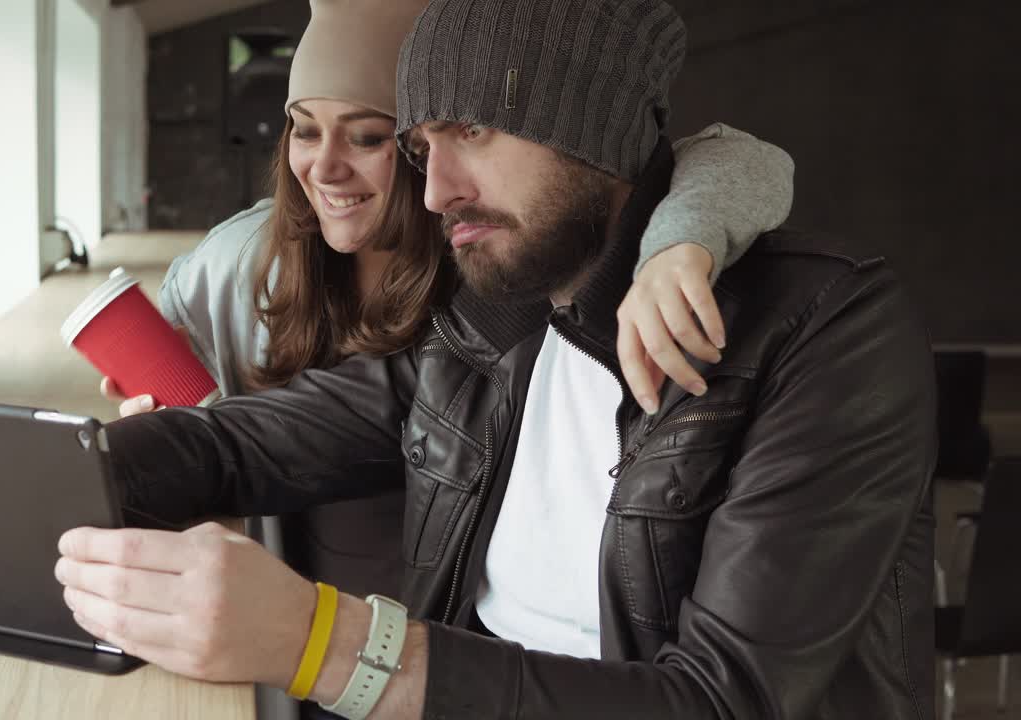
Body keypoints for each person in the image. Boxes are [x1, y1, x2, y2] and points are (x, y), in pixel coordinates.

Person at [34, 0, 931, 717]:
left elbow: (724, 701)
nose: (434, 191)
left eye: (472, 131)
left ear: (590, 124)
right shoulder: (497, 322)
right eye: (422, 147)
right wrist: (12, 483)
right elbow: (238, 443)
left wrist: (324, 644)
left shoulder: (826, 330)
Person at [96, 0, 793, 607]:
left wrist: (679, 242)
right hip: (292, 613)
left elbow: (730, 158)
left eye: (368, 136)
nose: (325, 167)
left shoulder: (502, 271)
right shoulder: (242, 263)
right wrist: (147, 436)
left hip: (419, 636)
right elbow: (227, 440)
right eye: (304, 129)